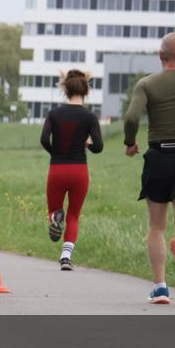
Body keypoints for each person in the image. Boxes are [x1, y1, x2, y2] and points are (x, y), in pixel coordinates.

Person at [123, 33, 175, 304]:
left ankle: (160, 287)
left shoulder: (147, 84)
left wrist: (129, 142)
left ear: (160, 56)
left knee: (156, 226)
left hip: (158, 158)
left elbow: (132, 116)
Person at [39, 70, 104, 271]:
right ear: (86, 90)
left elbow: (43, 140)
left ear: (65, 89)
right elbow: (99, 147)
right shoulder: (90, 117)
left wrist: (55, 152)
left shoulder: (54, 114)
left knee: (54, 210)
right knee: (74, 215)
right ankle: (66, 256)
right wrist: (87, 145)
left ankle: (55, 219)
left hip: (57, 169)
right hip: (79, 171)